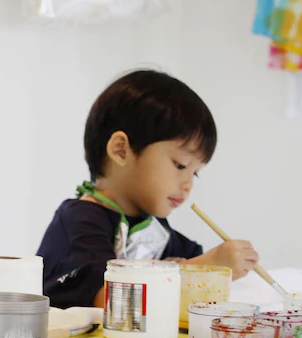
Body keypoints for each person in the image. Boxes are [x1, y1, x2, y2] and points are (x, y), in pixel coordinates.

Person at [37, 69, 259, 308]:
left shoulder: (152, 227)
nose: (188, 184)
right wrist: (208, 268)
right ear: (122, 150)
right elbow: (109, 301)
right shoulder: (79, 222)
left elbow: (193, 258)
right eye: (180, 165)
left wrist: (220, 262)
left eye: (195, 173)